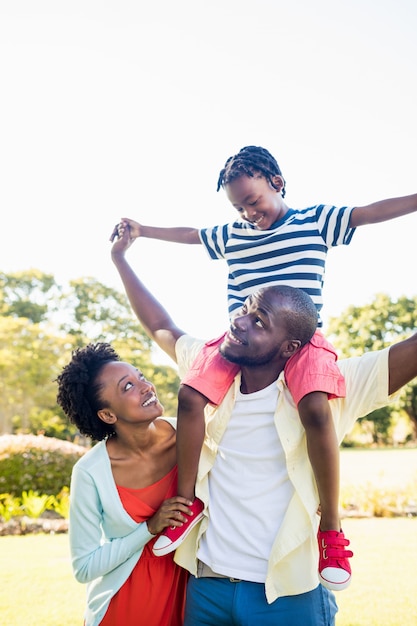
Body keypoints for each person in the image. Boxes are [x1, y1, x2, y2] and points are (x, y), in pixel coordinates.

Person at [109, 146, 417, 591]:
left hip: (304, 342)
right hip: (235, 347)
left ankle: (330, 527)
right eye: (238, 206)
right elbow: (192, 234)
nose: (248, 213)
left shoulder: (314, 220)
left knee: (315, 408)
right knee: (191, 396)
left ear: (278, 183)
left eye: (253, 201)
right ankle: (189, 503)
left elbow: (370, 212)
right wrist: (141, 233)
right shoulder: (233, 234)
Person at [56, 342, 191, 626]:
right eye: (127, 387)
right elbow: (84, 567)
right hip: (121, 610)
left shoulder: (189, 434)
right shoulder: (91, 472)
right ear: (107, 415)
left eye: (140, 376)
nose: (146, 387)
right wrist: (149, 528)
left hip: (189, 602)